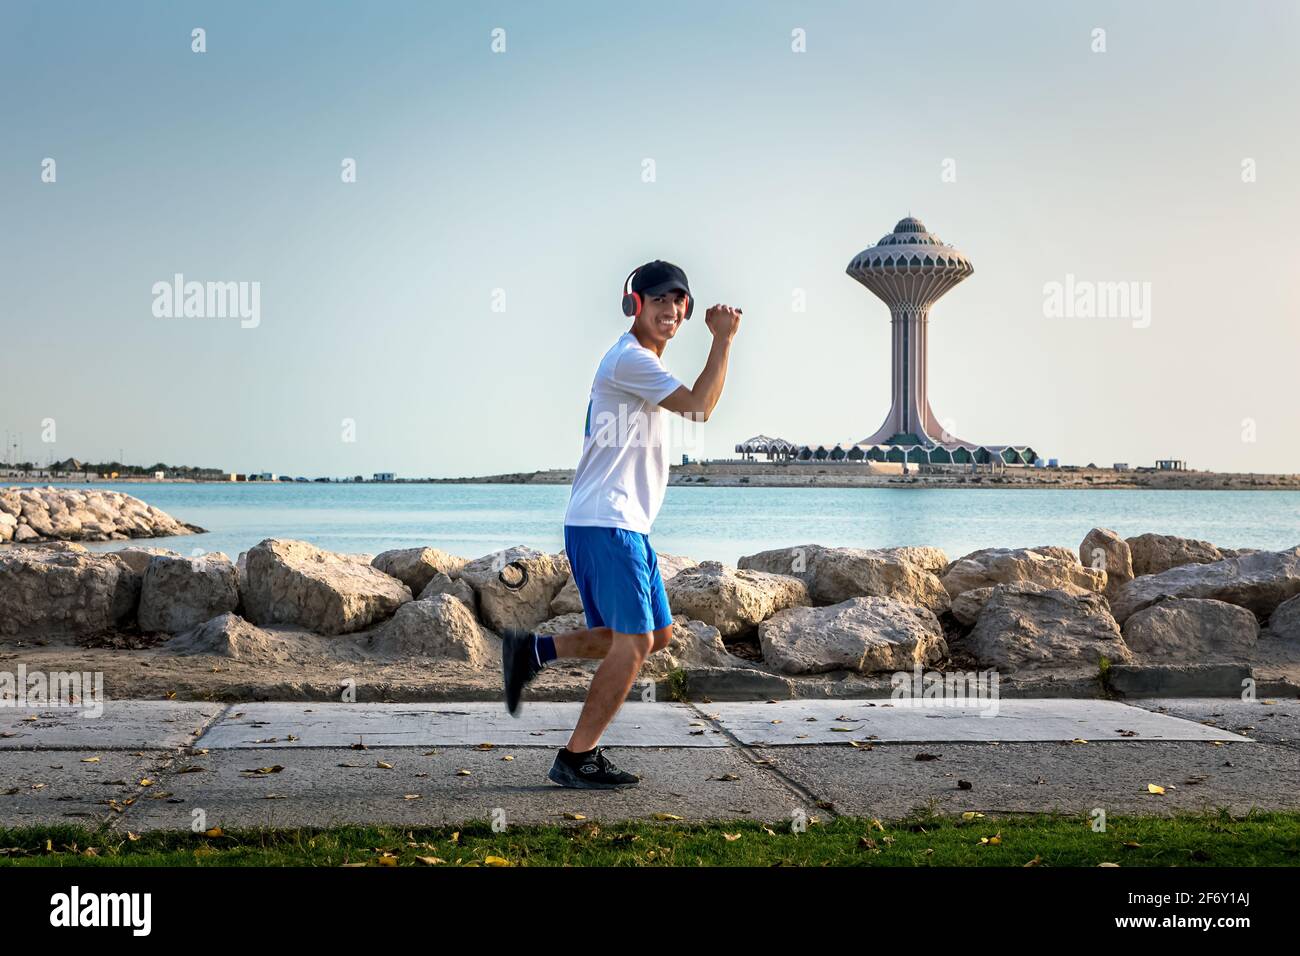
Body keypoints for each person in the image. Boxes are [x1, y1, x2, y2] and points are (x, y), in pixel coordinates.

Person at [500, 259, 741, 788]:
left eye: (679, 302)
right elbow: (700, 409)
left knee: (654, 636)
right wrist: (722, 340)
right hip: (606, 522)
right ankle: (575, 758)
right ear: (634, 304)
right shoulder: (629, 360)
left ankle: (532, 651)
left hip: (622, 524)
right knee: (630, 644)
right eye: (659, 300)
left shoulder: (640, 364)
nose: (671, 310)